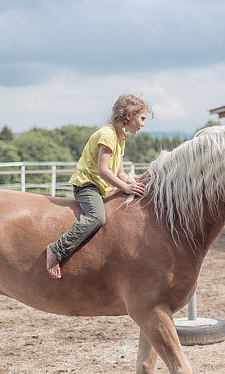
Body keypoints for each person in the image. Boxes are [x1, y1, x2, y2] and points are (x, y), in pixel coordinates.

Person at [46, 94, 149, 278]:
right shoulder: (107, 135)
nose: (143, 123)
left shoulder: (120, 138)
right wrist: (125, 188)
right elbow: (102, 170)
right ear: (128, 114)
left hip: (100, 187)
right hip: (86, 185)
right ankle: (56, 250)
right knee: (96, 217)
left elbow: (120, 174)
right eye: (141, 118)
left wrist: (137, 183)